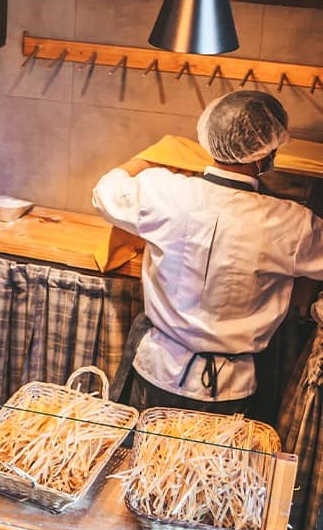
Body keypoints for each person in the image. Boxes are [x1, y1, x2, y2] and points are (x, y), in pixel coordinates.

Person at [92, 90, 323, 413]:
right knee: (214, 465)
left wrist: (145, 159)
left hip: (156, 369)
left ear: (210, 138)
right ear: (263, 155)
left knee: (143, 458)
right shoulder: (293, 224)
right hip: (231, 389)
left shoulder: (163, 191)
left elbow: (104, 192)